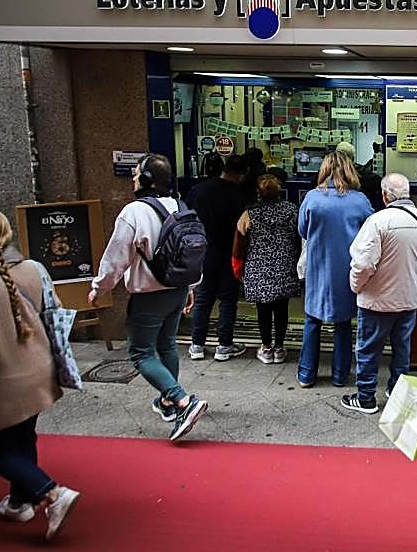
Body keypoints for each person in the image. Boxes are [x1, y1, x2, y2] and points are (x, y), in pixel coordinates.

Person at [0, 208, 80, 540]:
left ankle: (51, 493)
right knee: (23, 439)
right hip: (38, 372)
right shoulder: (33, 270)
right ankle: (19, 502)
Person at [90, 153, 209, 443]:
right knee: (167, 344)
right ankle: (168, 403)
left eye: (135, 174)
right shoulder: (180, 207)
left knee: (140, 352)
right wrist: (191, 288)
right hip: (178, 289)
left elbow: (116, 256)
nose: (132, 179)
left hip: (149, 294)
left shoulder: (134, 212)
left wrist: (99, 288)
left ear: (145, 179)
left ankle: (182, 401)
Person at [340, 173, 417, 414]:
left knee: (368, 350)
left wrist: (356, 287)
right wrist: (410, 281)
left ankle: (366, 398)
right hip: (408, 301)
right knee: (402, 350)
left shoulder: (377, 222)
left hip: (376, 302)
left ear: (384, 196)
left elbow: (362, 265)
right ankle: (397, 393)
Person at [297, 152, 373, 388]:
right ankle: (340, 376)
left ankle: (306, 374)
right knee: (342, 324)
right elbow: (371, 232)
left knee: (312, 320)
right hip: (346, 270)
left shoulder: (312, 198)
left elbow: (302, 230)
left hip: (318, 269)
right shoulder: (359, 201)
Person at [186, 153, 249, 362]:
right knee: (228, 300)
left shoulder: (198, 191)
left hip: (203, 250)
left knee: (203, 299)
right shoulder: (240, 195)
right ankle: (224, 345)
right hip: (230, 252)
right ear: (242, 175)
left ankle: (196, 345)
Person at [233, 173, 300, 365]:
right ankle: (279, 347)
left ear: (259, 192)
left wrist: (238, 267)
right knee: (282, 308)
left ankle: (266, 346)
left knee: (263, 309)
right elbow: (299, 236)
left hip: (257, 266)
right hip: (284, 265)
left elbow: (239, 242)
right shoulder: (291, 210)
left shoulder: (249, 213)